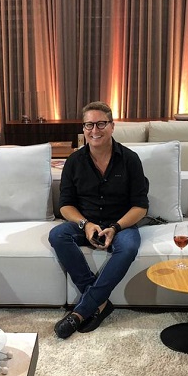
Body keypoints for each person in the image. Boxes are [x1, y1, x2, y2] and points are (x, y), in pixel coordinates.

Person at [49, 101, 149, 339]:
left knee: (129, 247)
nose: (95, 130)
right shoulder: (74, 161)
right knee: (58, 235)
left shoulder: (130, 159)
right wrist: (85, 225)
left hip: (121, 224)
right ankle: (100, 303)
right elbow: (65, 205)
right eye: (89, 125)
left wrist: (115, 227)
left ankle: (81, 311)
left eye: (101, 124)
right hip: (86, 223)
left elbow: (141, 206)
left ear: (112, 126)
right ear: (83, 129)